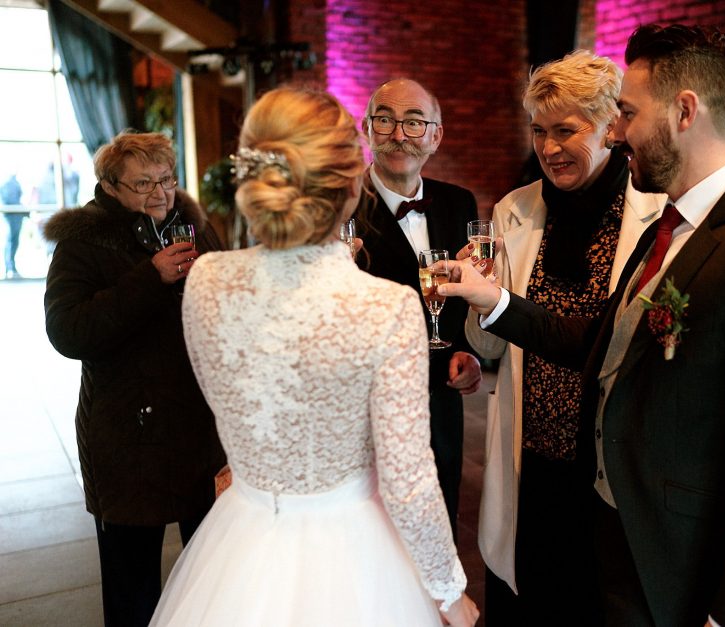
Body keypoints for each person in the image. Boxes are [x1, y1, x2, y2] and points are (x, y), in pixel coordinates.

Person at [442, 24, 725, 626]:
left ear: (684, 112)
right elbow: (598, 345)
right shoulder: (668, 230)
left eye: (627, 113)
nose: (619, 131)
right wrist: (492, 302)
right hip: (617, 535)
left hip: (676, 555)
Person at [149, 87, 479, 627]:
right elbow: (409, 481)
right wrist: (448, 592)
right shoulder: (387, 306)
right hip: (353, 550)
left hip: (240, 539)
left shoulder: (207, 279)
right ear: (353, 185)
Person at [462, 50, 666, 626]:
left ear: (612, 128)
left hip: (607, 461)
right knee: (530, 595)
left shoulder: (655, 214)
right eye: (539, 131)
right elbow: (491, 349)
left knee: (600, 600)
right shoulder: (513, 210)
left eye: (566, 130)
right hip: (531, 452)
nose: (549, 149)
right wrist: (479, 303)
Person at [43, 130, 226, 627]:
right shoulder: (83, 242)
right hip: (127, 435)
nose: (160, 193)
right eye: (143, 184)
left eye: (166, 179)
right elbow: (67, 331)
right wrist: (149, 278)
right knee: (132, 584)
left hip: (199, 429)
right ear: (110, 187)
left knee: (212, 571)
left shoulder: (195, 224)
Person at [354, 78, 482, 536]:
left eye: (414, 122)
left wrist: (467, 352)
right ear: (367, 129)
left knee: (438, 523)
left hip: (440, 407)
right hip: (365, 414)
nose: (399, 134)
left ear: (435, 136)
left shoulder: (458, 202)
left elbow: (468, 293)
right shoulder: (340, 208)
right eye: (385, 119)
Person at [1, 173, 25, 278]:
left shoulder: (13, 182)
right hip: (12, 216)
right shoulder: (9, 183)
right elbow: (10, 200)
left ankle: (10, 267)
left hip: (14, 215)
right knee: (11, 241)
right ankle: (10, 267)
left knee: (13, 241)